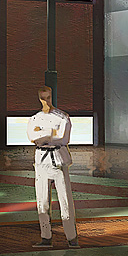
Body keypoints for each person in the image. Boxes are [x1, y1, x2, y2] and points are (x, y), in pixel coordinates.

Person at [28, 86, 78, 247]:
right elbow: (32, 137)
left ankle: (72, 238)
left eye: (48, 98)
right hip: (41, 161)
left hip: (58, 160)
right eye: (43, 98)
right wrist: (51, 134)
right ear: (39, 99)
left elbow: (63, 139)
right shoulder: (35, 118)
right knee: (42, 202)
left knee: (65, 201)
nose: (46, 101)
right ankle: (46, 237)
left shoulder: (62, 117)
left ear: (52, 97)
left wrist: (43, 134)